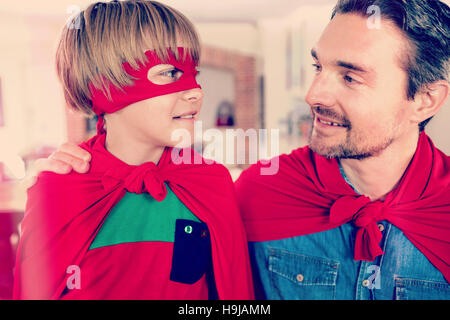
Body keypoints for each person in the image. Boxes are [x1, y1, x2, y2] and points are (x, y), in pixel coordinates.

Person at [26, 0, 450, 300]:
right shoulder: (256, 193)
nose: (313, 93)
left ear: (425, 100)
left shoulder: (210, 186)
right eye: (318, 67)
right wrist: (57, 189)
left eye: (351, 76)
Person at [13, 0, 253, 300]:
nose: (196, 92)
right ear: (106, 87)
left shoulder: (211, 184)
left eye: (196, 74)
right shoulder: (59, 191)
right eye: (171, 73)